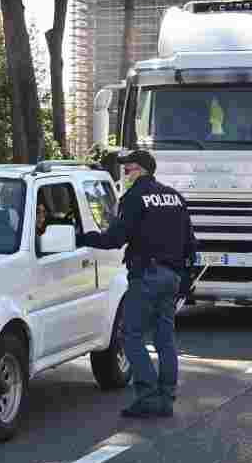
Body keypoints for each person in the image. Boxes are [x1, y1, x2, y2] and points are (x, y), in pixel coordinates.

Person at [77, 150, 197, 419]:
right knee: (165, 339)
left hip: (147, 276)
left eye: (128, 170)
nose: (125, 175)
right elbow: (191, 243)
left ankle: (147, 396)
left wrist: (85, 238)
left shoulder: (134, 198)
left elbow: (116, 238)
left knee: (130, 336)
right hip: (172, 277)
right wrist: (186, 279)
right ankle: (166, 397)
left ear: (141, 170)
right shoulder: (174, 197)